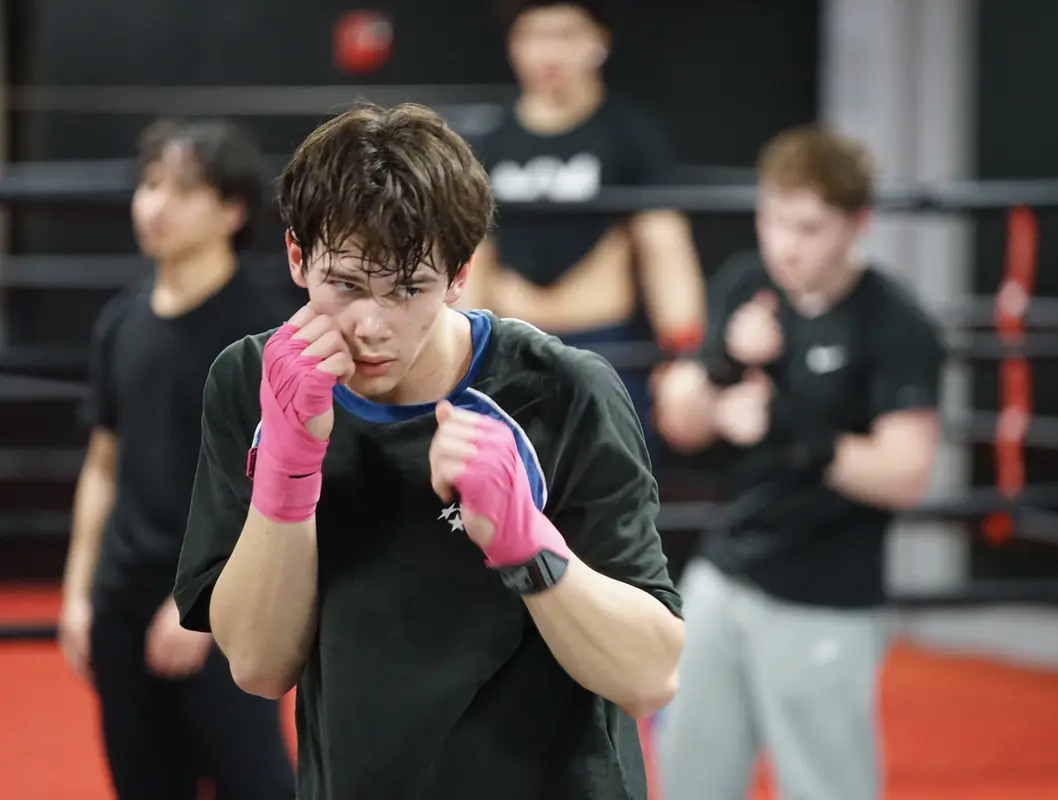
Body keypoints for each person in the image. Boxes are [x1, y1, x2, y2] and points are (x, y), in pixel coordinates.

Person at [172, 102, 685, 800]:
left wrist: (529, 547)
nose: (371, 325)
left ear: (460, 272)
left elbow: (650, 675)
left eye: (409, 288)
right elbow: (259, 666)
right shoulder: (252, 383)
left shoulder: (560, 391)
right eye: (346, 285)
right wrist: (288, 470)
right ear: (297, 256)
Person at [652, 126, 944, 800]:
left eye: (809, 228)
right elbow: (680, 422)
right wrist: (723, 367)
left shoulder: (896, 324)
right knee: (689, 780)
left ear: (856, 224)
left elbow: (905, 474)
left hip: (827, 599)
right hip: (726, 576)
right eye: (773, 220)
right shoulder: (749, 285)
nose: (786, 244)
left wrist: (790, 430)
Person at [57, 119, 295, 799]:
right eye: (151, 184)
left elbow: (276, 482)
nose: (155, 204)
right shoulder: (121, 322)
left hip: (226, 611)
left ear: (231, 210)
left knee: (256, 783)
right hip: (123, 603)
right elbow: (103, 464)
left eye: (183, 189)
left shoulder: (262, 335)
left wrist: (204, 605)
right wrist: (80, 595)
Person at [459, 0, 706, 442]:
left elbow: (664, 244)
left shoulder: (630, 133)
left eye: (565, 35)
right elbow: (473, 255)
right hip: (510, 351)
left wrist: (686, 354)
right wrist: (460, 361)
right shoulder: (489, 142)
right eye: (533, 37)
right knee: (501, 501)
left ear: (598, 41)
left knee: (609, 498)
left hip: (604, 349)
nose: (547, 53)